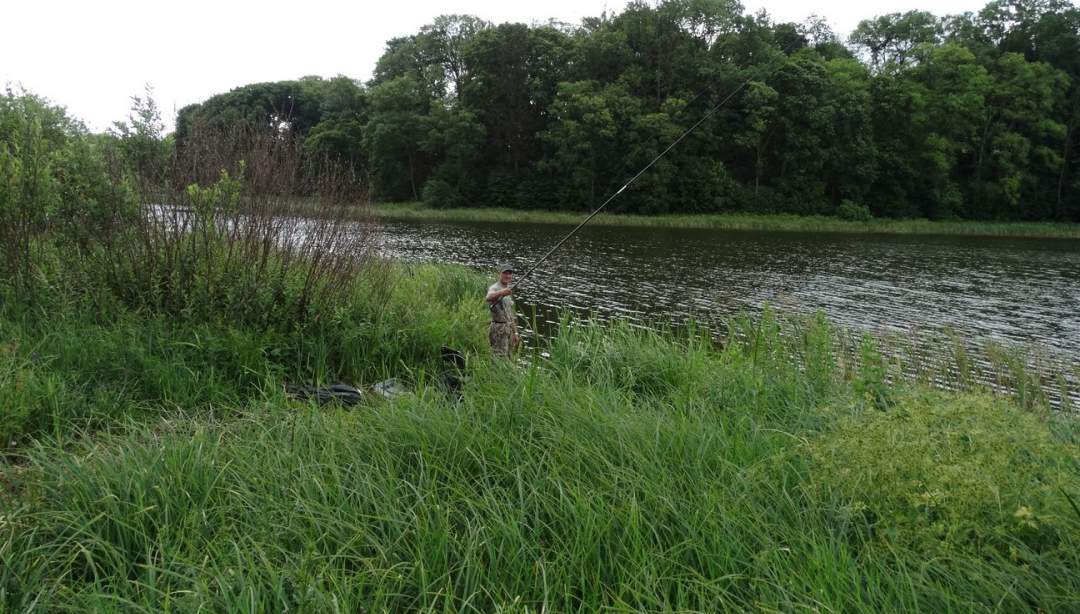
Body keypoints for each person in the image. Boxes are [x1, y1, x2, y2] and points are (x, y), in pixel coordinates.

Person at [485, 263, 520, 357]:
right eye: (505, 273)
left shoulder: (508, 290)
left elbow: (510, 313)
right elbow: (488, 297)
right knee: (498, 357)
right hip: (498, 329)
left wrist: (515, 332)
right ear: (499, 274)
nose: (507, 276)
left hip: (508, 329)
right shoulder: (494, 288)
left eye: (509, 273)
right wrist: (501, 292)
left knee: (509, 357)